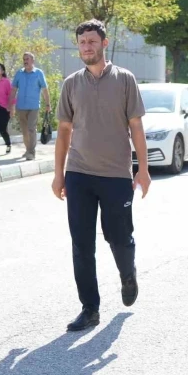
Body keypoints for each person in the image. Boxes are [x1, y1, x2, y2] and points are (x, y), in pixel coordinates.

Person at [53, 19, 152, 332]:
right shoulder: (71, 84)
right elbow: (64, 131)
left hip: (116, 174)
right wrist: (58, 174)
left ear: (104, 44)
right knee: (81, 244)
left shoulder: (124, 79)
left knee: (118, 237)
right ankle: (90, 308)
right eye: (82, 42)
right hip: (79, 172)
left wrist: (143, 169)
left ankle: (128, 275)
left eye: (92, 41)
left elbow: (136, 126)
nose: (87, 47)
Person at [11, 52, 51, 161]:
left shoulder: (38, 73)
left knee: (31, 129)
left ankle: (31, 152)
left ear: (33, 61)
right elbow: (13, 90)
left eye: (27, 59)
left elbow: (44, 90)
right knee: (25, 131)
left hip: (33, 106)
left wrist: (48, 104)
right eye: (24, 59)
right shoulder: (19, 73)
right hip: (20, 106)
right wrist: (12, 105)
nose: (25, 61)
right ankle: (28, 149)